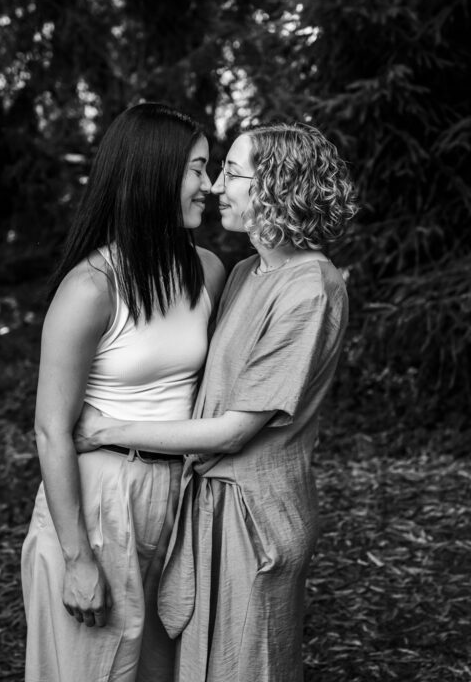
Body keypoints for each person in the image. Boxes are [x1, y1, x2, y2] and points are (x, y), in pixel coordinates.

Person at [74, 122, 358, 682]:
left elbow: (232, 431)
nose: (215, 185)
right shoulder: (249, 272)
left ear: (275, 188)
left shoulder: (310, 288)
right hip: (202, 506)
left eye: (231, 171)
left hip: (256, 518)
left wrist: (105, 429)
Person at [21, 102, 225, 682]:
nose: (207, 186)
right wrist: (77, 558)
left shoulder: (206, 270)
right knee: (90, 670)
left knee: (165, 672)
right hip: (102, 498)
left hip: (183, 495)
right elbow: (51, 430)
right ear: (154, 175)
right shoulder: (92, 288)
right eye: (196, 169)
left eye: (208, 170)